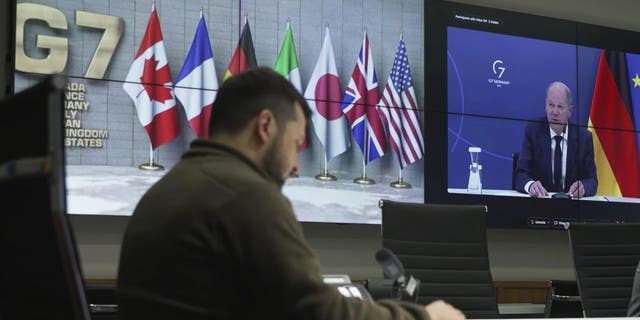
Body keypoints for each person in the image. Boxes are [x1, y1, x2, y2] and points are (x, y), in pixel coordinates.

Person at [117, 68, 465, 320]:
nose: (297, 166)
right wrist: (426, 318)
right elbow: (319, 312)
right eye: (296, 145)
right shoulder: (244, 195)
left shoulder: (173, 187)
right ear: (265, 126)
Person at [515, 81, 597, 197]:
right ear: (545, 106)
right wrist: (530, 185)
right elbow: (520, 174)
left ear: (570, 111)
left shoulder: (584, 138)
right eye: (551, 105)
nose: (554, 112)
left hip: (571, 207)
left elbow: (592, 180)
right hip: (540, 204)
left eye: (560, 107)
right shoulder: (533, 131)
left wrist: (583, 187)